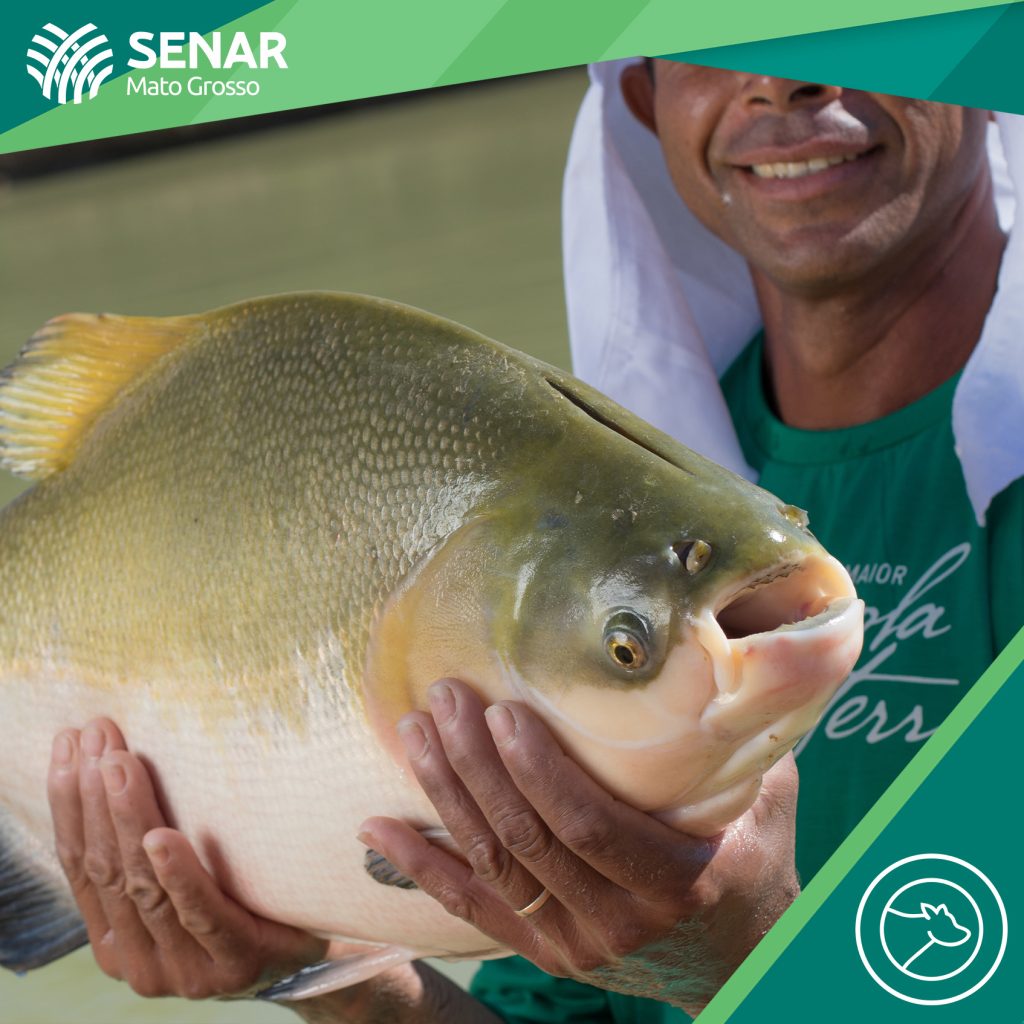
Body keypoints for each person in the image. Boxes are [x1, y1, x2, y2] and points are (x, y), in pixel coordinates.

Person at [43, 60, 1024, 1022]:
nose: (779, 79)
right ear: (644, 94)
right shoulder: (603, 513)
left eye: (859, 20)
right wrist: (331, 974)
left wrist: (742, 955)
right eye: (714, 33)